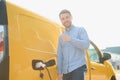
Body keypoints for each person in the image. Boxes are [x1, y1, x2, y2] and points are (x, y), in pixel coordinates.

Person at [57, 9, 90, 80]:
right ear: (61, 21)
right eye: (63, 19)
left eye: (67, 17)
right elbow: (60, 55)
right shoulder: (61, 37)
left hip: (78, 67)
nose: (65, 20)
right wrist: (59, 72)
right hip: (66, 70)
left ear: (71, 17)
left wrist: (71, 40)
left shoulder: (80, 30)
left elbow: (86, 45)